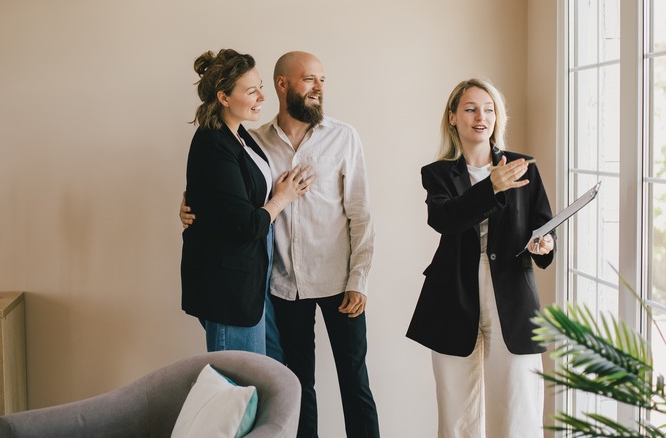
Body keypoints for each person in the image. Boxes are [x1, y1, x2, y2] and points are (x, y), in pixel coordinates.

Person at [181, 51, 379, 438]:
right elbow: (228, 198)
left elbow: (362, 213)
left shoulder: (344, 137)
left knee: (355, 383)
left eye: (322, 79)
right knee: (296, 385)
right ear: (282, 84)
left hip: (340, 282)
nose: (319, 88)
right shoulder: (254, 142)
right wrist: (191, 209)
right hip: (283, 288)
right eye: (309, 79)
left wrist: (360, 279)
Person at [406, 79, 555, 438]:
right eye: (471, 109)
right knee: (458, 414)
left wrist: (546, 243)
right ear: (453, 117)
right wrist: (491, 185)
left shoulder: (523, 167)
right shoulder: (438, 173)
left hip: (512, 292)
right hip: (453, 293)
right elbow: (444, 219)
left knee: (519, 404)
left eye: (488, 109)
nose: (481, 117)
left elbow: (542, 223)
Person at [181, 48, 312, 356]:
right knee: (238, 387)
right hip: (229, 286)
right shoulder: (212, 143)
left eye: (261, 88)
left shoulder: (240, 135)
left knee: (271, 366)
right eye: (252, 91)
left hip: (253, 277)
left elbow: (229, 199)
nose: (262, 98)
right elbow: (244, 224)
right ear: (224, 97)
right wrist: (283, 198)